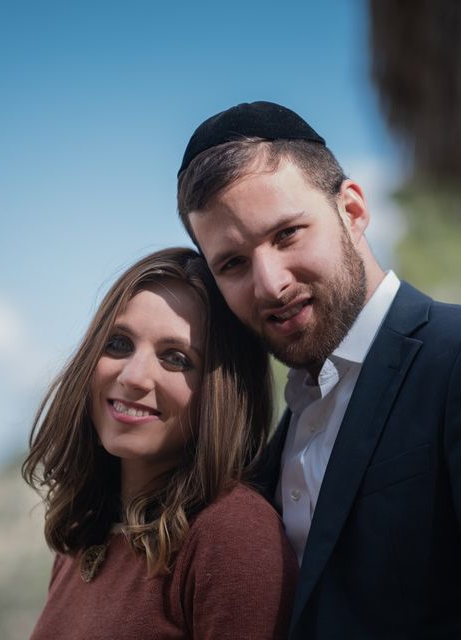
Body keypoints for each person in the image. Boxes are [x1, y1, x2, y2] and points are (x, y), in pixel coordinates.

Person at [176, 101, 461, 639]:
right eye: (233, 264)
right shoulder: (268, 456)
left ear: (352, 211)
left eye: (287, 234)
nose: (270, 283)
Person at [23, 247, 298, 640]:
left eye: (176, 358)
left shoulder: (233, 535)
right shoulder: (84, 537)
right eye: (118, 344)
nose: (134, 376)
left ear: (221, 393)